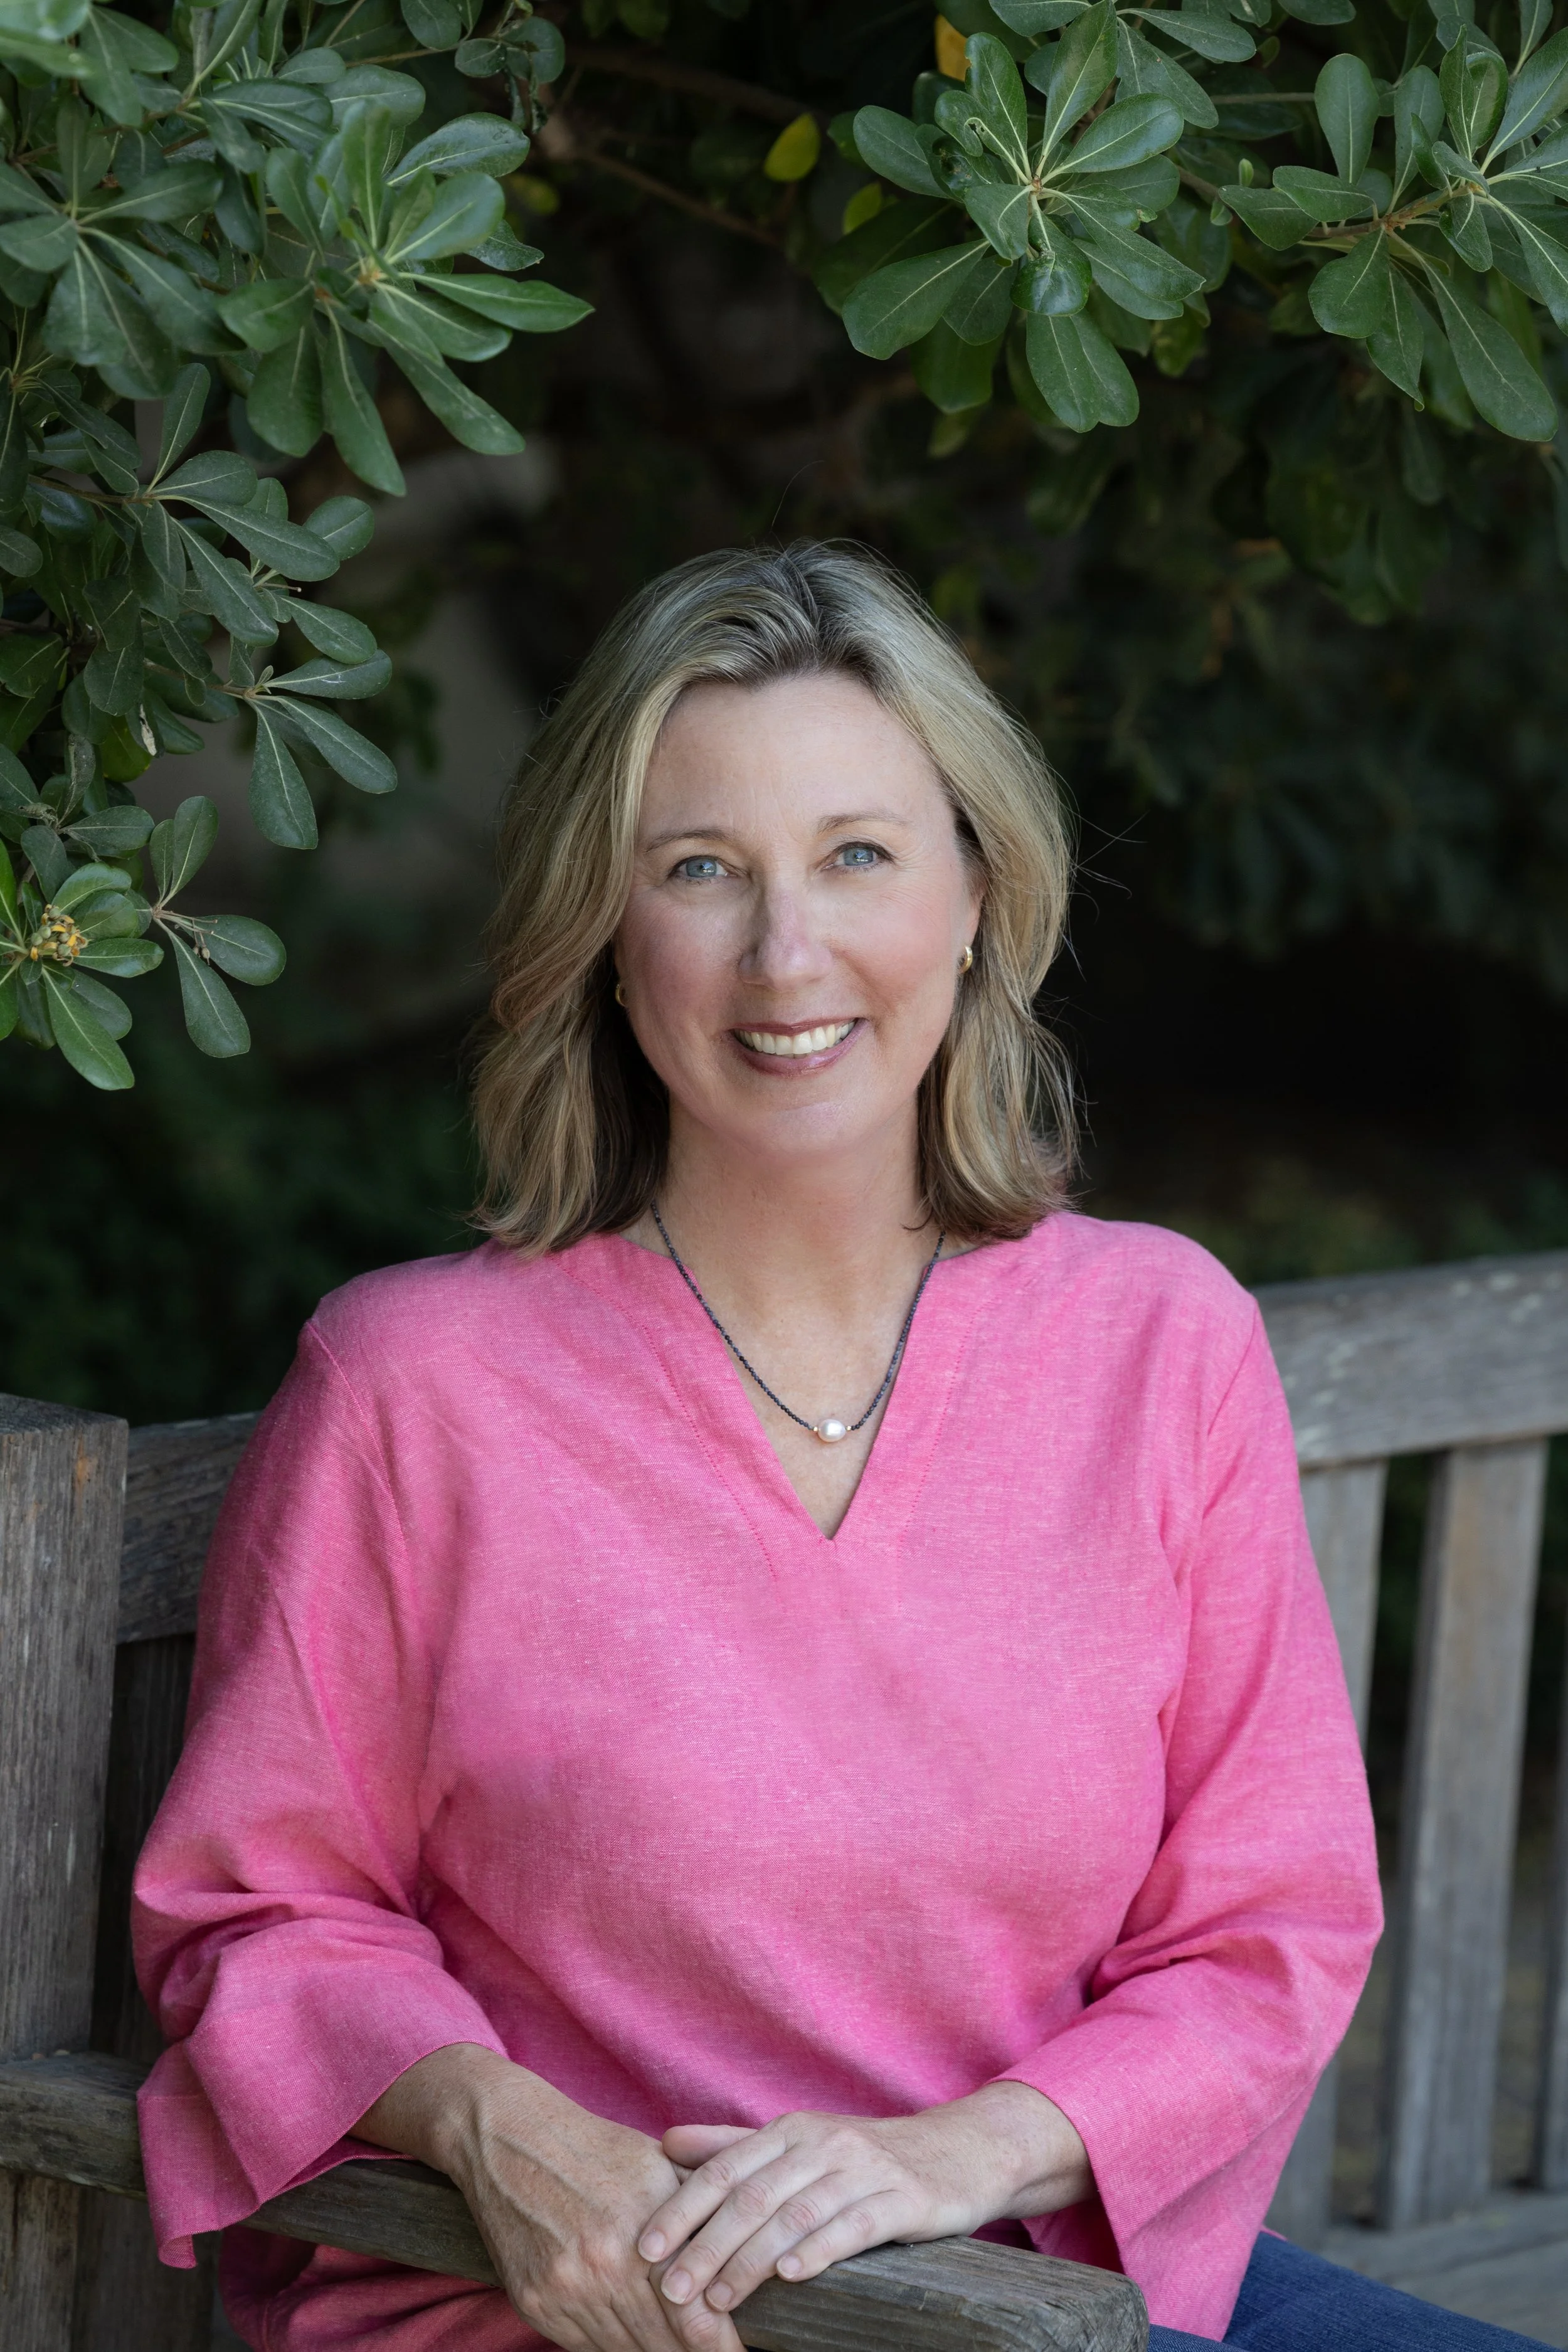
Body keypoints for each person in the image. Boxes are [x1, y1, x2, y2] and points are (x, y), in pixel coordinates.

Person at [132, 544, 1535, 2352]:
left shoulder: (1157, 1340)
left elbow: (1262, 1926)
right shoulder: (417, 1383)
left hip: (1032, 2291)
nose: (785, 953)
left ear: (972, 894)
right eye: (699, 871)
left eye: (856, 854)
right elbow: (256, 1913)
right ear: (603, 942)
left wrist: (967, 2154)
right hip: (589, 2309)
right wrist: (500, 2128)